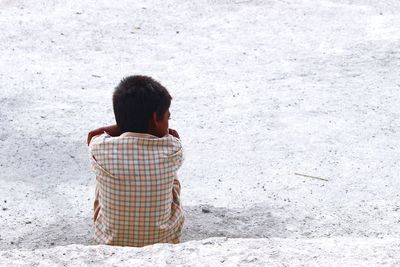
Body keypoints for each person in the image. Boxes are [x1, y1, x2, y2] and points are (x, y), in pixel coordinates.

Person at [87, 75, 184, 247]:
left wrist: (126, 124)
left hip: (111, 243)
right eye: (168, 117)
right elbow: (172, 136)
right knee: (172, 177)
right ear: (156, 118)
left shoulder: (99, 148)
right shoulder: (173, 148)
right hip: (164, 241)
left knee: (101, 173)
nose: (168, 123)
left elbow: (92, 136)